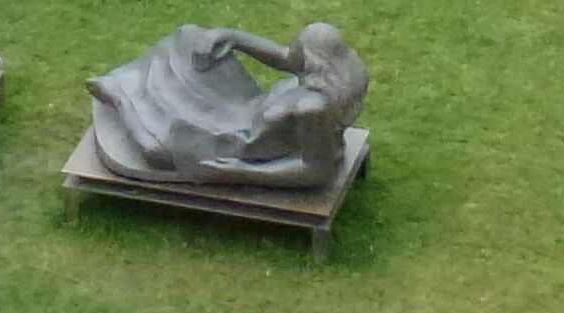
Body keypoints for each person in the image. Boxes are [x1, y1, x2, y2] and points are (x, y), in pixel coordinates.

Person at [83, 22, 368, 189]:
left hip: (237, 144)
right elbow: (284, 58)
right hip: (246, 108)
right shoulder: (338, 72)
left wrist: (238, 172)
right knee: (188, 39)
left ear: (314, 60)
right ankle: (132, 86)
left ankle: (120, 97)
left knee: (157, 149)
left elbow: (316, 172)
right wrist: (235, 38)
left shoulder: (313, 108)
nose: (291, 54)